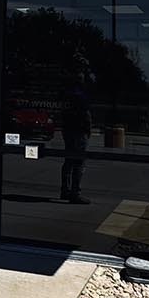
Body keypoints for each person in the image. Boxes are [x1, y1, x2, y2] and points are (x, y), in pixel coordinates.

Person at [58, 67, 91, 205]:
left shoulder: (67, 94)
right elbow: (86, 114)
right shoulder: (80, 95)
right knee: (78, 161)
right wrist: (88, 128)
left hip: (68, 129)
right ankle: (75, 192)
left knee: (69, 160)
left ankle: (65, 190)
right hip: (78, 130)